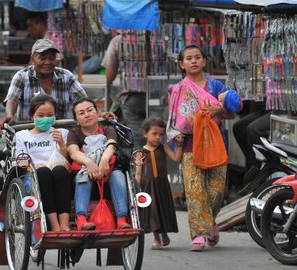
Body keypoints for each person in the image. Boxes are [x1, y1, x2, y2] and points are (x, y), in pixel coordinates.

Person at [167, 44, 236, 252]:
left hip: (216, 145)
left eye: (198, 57)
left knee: (216, 192)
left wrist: (219, 109)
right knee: (195, 191)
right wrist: (176, 136)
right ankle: (199, 234)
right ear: (182, 64)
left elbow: (232, 114)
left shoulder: (216, 87)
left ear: (204, 61)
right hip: (189, 146)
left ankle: (210, 222)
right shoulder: (177, 90)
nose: (194, 61)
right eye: (189, 58)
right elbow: (172, 120)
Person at [67, 98, 131, 230]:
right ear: (76, 120)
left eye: (90, 110)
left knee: (118, 175)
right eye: (81, 113)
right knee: (82, 177)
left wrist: (103, 160)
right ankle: (81, 219)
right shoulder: (73, 133)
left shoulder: (108, 129)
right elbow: (73, 152)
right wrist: (89, 163)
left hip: (107, 177)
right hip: (85, 176)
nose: (87, 114)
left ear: (97, 113)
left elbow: (111, 146)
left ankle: (122, 219)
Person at [0, 39, 87, 129]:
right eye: (42, 58)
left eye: (51, 58)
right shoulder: (22, 76)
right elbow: (12, 99)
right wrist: (9, 114)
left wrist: (96, 112)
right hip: (29, 134)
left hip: (61, 133)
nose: (47, 62)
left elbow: (83, 100)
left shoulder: (67, 76)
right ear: (32, 59)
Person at [14, 94, 71, 231]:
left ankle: (64, 224)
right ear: (32, 116)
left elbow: (67, 161)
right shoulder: (21, 136)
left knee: (59, 170)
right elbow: (20, 162)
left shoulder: (62, 133)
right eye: (40, 115)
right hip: (35, 177)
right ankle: (55, 225)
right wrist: (32, 166)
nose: (45, 118)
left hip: (60, 175)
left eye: (50, 114)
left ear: (55, 115)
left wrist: (62, 145)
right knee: (43, 173)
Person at [135, 118, 183, 250]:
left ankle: (164, 233)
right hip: (148, 186)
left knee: (163, 209)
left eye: (161, 135)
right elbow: (138, 173)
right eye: (154, 134)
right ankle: (157, 238)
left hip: (162, 185)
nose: (158, 137)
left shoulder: (164, 148)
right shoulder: (140, 153)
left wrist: (179, 146)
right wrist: (136, 189)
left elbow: (177, 158)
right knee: (153, 212)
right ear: (145, 134)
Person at [102, 32, 146, 149]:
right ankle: (156, 165)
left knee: (136, 138)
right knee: (157, 135)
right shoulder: (157, 39)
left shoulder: (118, 41)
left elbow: (109, 75)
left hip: (131, 96)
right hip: (157, 95)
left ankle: (138, 165)